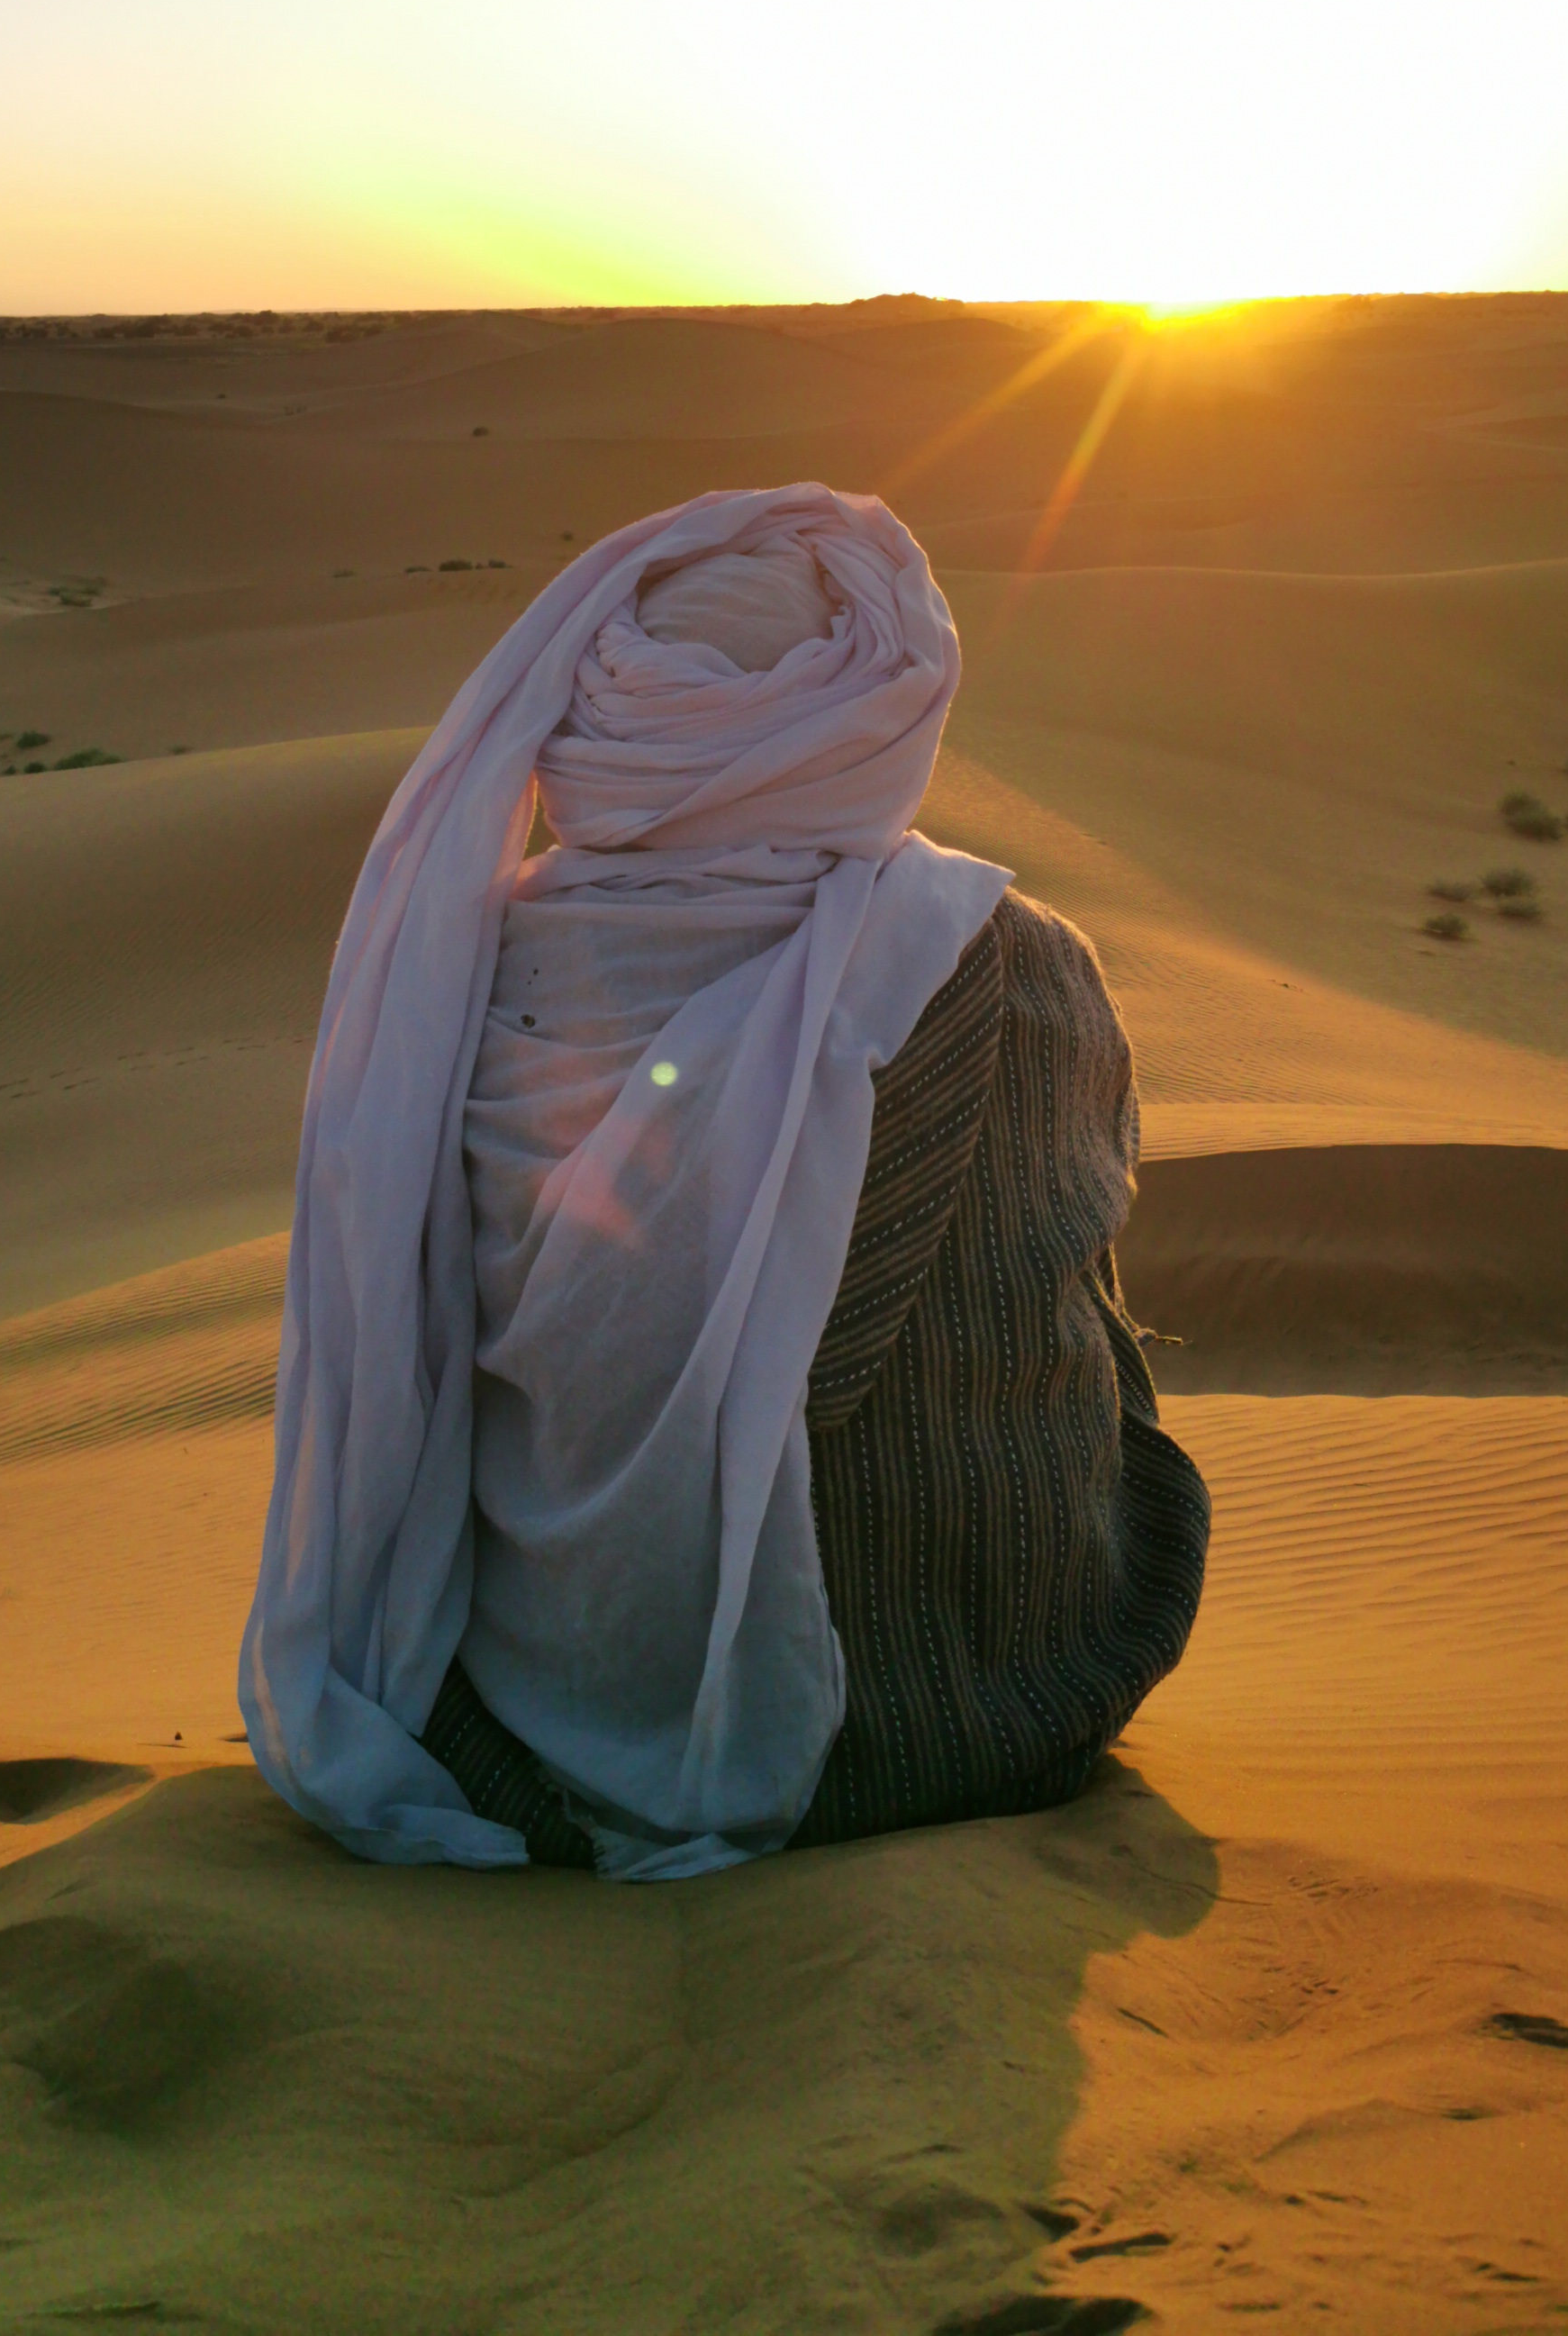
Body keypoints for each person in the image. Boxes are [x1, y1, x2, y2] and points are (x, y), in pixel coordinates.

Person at [240, 483, 1207, 1876]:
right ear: (873, 711)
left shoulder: (452, 982)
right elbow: (1072, 1252)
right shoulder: (1001, 963)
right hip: (980, 1699)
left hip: (541, 1705)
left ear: (601, 721)